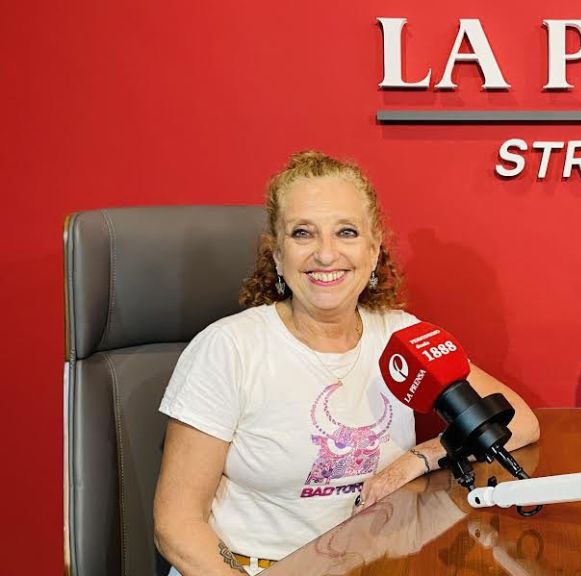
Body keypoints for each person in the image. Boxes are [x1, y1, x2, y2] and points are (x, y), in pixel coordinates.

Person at [153, 151, 540, 576]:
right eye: (303, 233)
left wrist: (418, 458)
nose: (325, 254)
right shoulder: (229, 348)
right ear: (277, 254)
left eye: (346, 232)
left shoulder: (403, 337)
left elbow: (518, 421)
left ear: (372, 251)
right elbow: (176, 525)